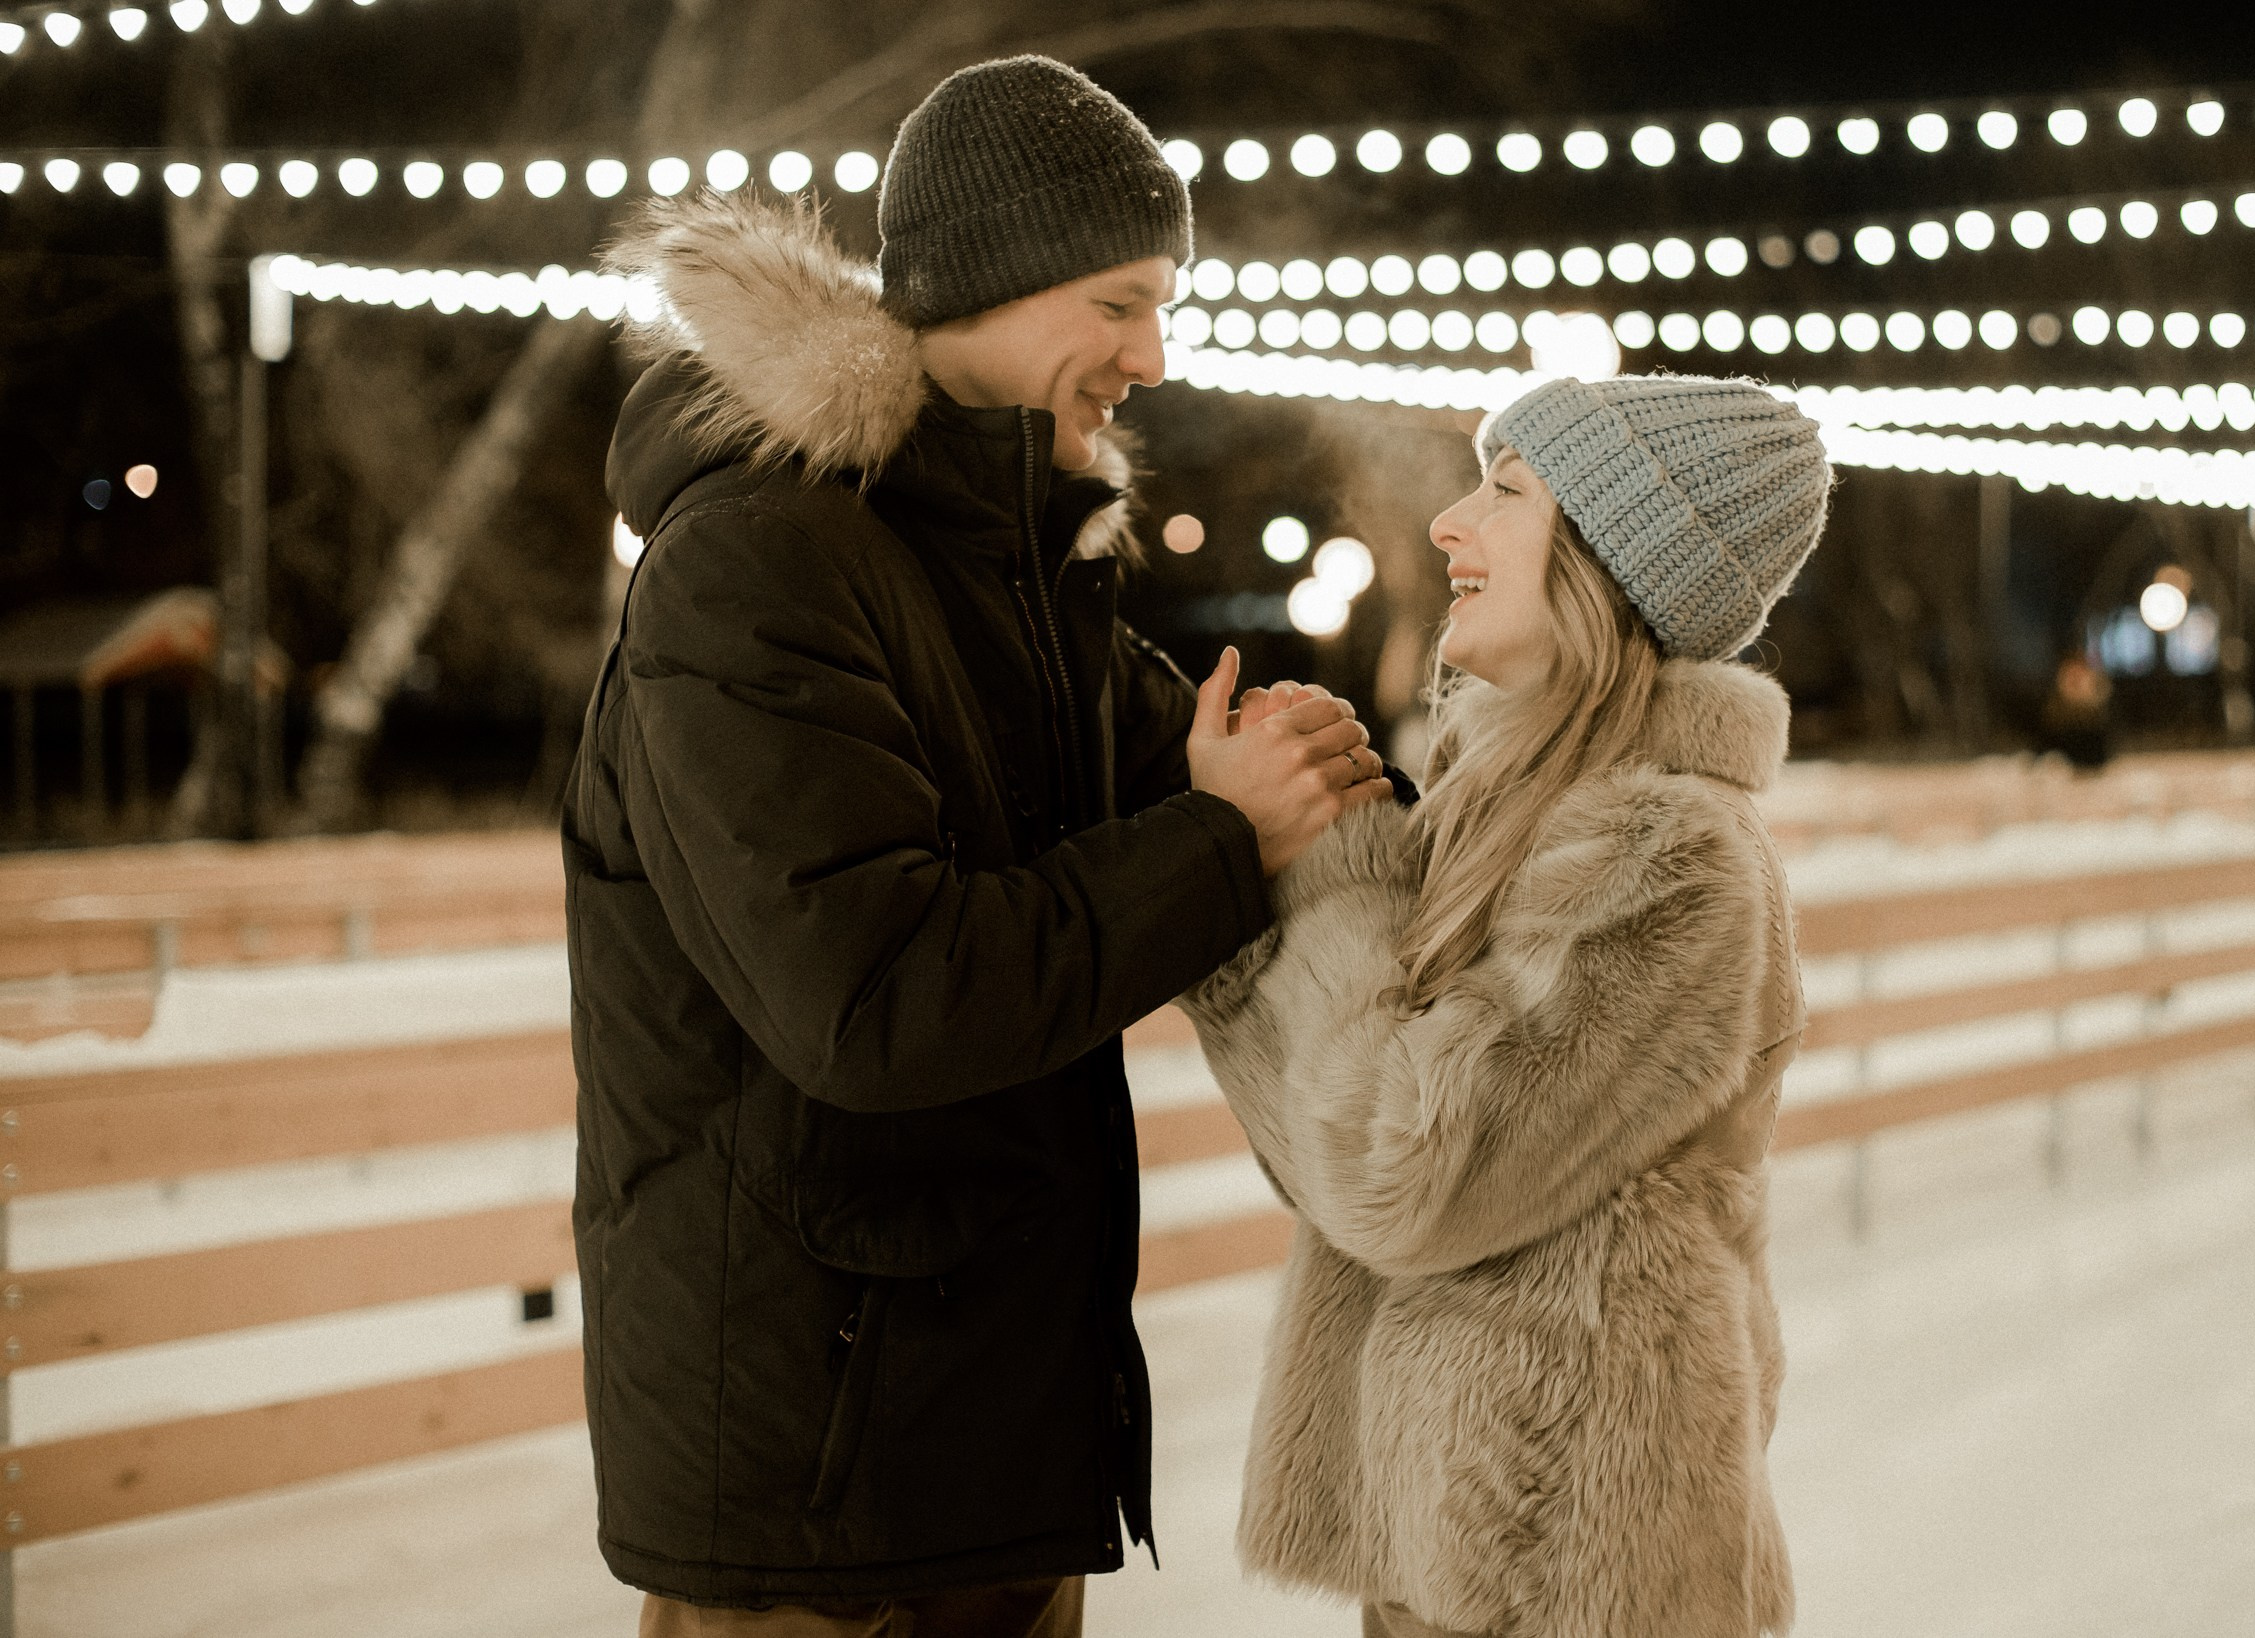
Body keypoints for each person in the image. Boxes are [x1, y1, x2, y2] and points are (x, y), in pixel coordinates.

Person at [562, 55, 1388, 1638]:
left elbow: (1221, 787)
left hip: (985, 1439)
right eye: (1119, 303)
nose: (1153, 357)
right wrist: (1225, 832)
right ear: (988, 281)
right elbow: (873, 997)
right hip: (822, 1493)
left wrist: (1357, 779)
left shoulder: (1014, 577)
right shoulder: (756, 565)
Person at [1179, 374, 1832, 1638]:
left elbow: (1397, 1171)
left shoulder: (1664, 853)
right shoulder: (1504, 813)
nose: (1450, 522)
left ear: (1607, 563)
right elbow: (1328, 1157)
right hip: (1459, 1537)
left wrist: (1334, 870)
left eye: (1508, 490)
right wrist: (1253, 876)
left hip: (1568, 1555)